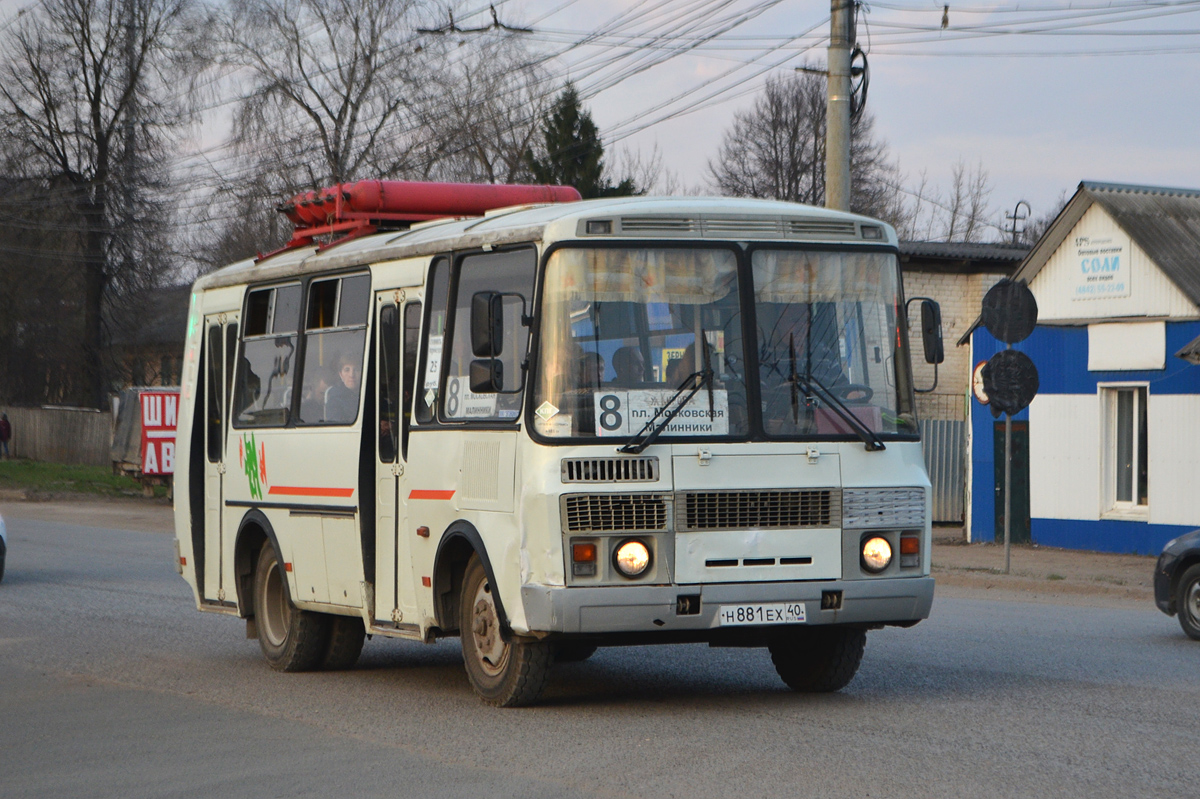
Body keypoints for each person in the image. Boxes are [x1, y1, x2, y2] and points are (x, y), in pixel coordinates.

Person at [324, 353, 361, 423]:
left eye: (356, 370)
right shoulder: (334, 400)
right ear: (340, 374)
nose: (351, 375)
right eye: (347, 370)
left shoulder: (372, 394)